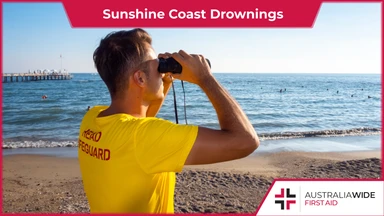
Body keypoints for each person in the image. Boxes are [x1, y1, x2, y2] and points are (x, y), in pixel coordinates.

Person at [77, 28, 259, 214]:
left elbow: (140, 120)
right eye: (158, 66)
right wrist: (205, 78)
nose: (161, 70)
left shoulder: (93, 117)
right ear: (140, 78)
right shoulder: (143, 137)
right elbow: (245, 141)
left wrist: (164, 81)